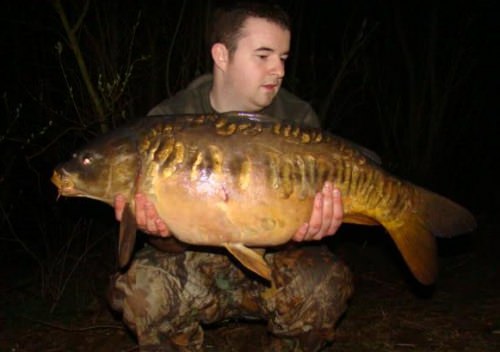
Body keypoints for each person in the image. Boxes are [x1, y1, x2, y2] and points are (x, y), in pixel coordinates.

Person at [109, 3, 354, 351]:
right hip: (194, 266)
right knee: (138, 290)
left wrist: (311, 230)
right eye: (264, 56)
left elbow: (297, 230)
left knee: (323, 283)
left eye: (283, 57)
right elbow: (166, 247)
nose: (279, 70)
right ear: (222, 56)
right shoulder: (168, 120)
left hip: (272, 260)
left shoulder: (297, 118)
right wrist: (158, 232)